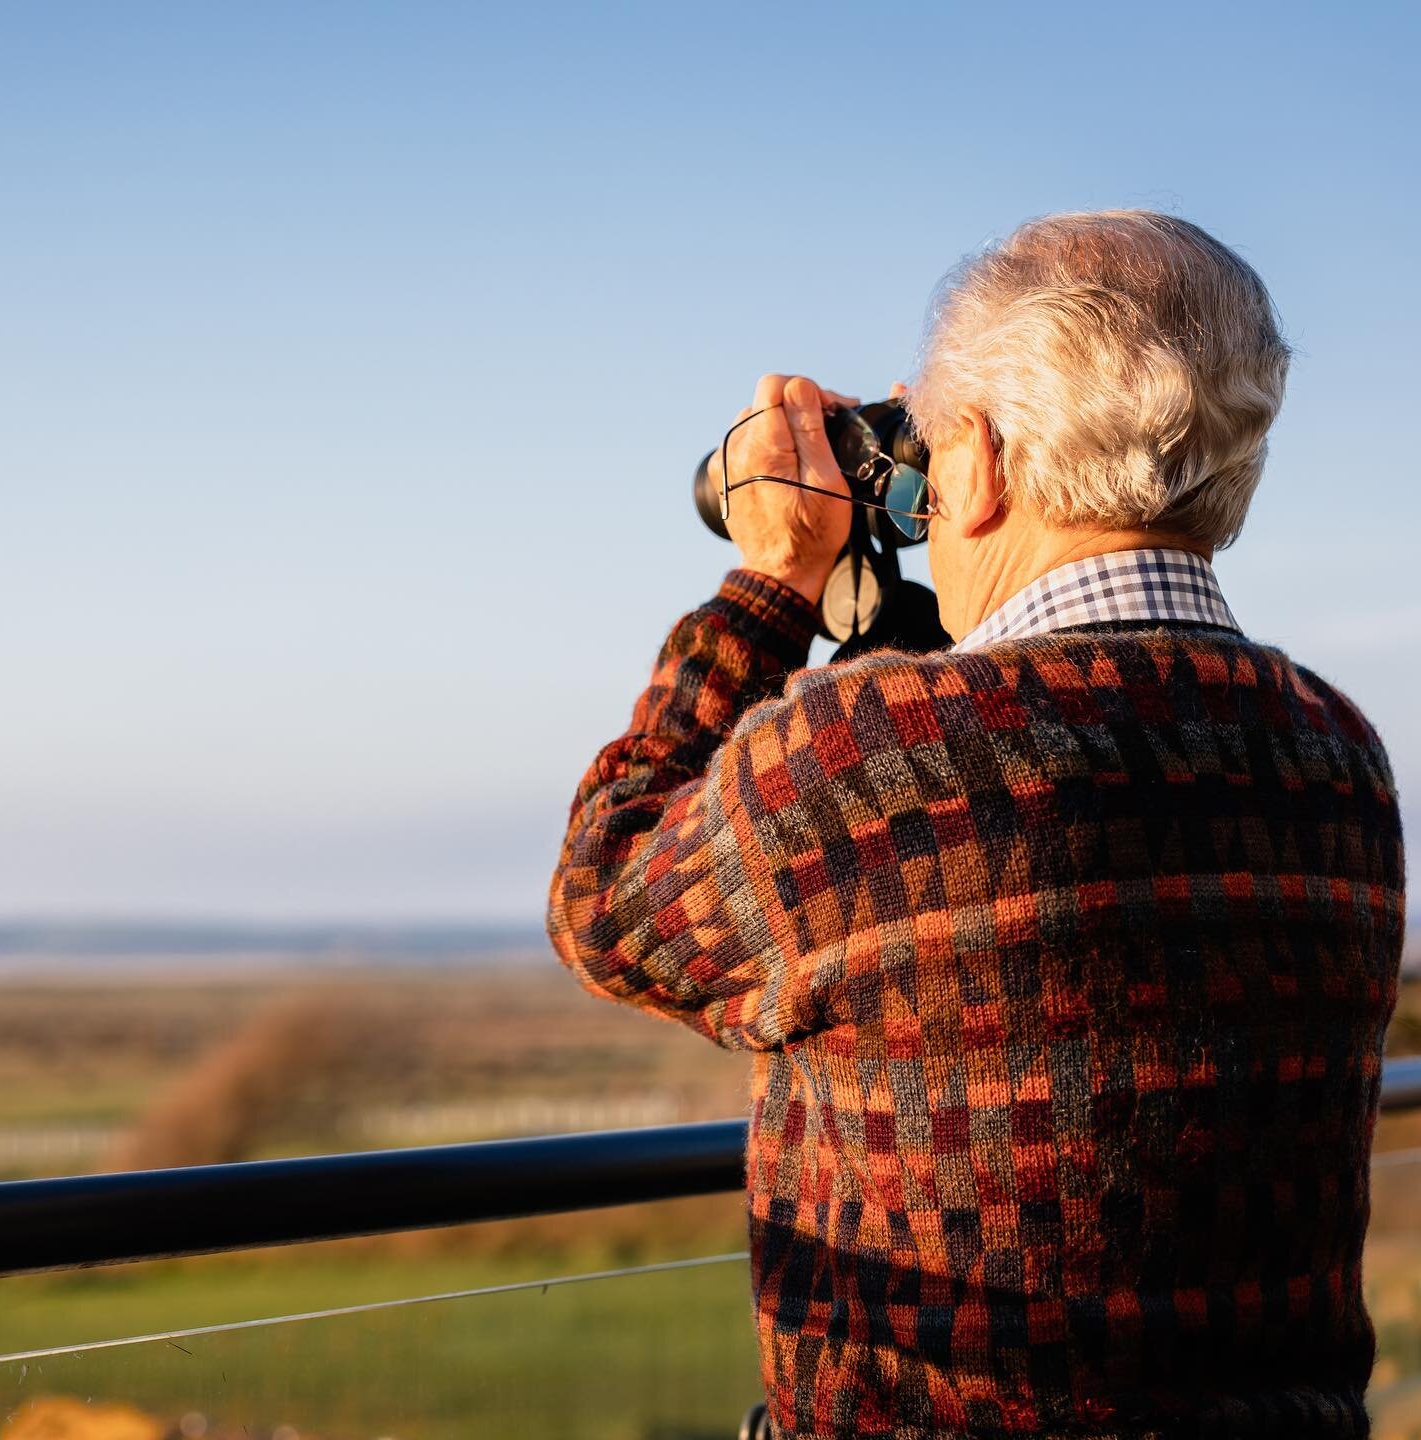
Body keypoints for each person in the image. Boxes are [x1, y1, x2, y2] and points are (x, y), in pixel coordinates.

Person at [547, 211, 1405, 1439]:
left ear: (986, 464)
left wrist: (773, 583)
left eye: (936, 450)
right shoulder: (1336, 750)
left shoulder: (868, 755)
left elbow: (603, 899)